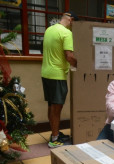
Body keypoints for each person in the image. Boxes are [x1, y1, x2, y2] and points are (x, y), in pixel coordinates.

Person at [41, 11, 78, 148]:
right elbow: (69, 56)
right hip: (57, 75)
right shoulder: (66, 33)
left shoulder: (49, 30)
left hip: (46, 73)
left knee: (51, 106)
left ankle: (54, 133)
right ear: (71, 20)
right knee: (57, 109)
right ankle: (54, 140)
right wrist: (80, 65)